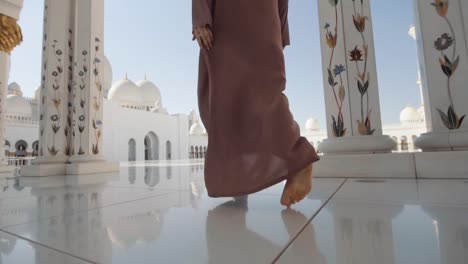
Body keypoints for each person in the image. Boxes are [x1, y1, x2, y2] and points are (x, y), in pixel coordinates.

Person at [192, 0, 320, 207]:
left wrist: (200, 18)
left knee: (258, 92)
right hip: (239, 19)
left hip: (238, 17)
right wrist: (280, 30)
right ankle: (237, 178)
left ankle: (298, 158)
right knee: (228, 96)